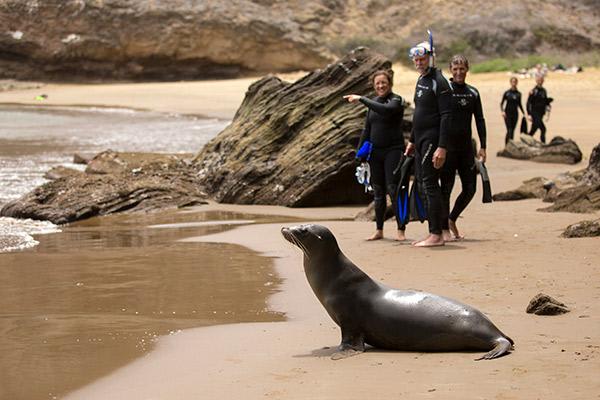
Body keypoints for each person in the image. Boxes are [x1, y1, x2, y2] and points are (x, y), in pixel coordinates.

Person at [344, 69, 407, 241]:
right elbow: (367, 130)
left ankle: (401, 230)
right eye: (377, 83)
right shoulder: (372, 105)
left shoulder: (396, 100)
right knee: (378, 192)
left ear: (390, 83)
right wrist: (360, 153)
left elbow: (386, 111)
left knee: (393, 189)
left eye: (383, 83)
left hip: (393, 151)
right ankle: (379, 230)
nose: (380, 86)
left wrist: (362, 99)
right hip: (376, 153)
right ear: (374, 85)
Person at [404, 37, 452, 247]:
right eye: (416, 60)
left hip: (433, 140)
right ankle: (437, 230)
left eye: (422, 59)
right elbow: (418, 114)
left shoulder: (439, 82)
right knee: (424, 184)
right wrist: (412, 140)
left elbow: (446, 116)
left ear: (431, 59)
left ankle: (436, 234)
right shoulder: (421, 80)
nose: (418, 63)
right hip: (421, 140)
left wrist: (442, 147)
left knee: (429, 184)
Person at [440, 55, 487, 241]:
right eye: (455, 69)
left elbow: (480, 120)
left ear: (467, 69)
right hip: (448, 148)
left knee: (470, 188)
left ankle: (452, 218)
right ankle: (444, 228)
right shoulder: (445, 91)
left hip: (467, 148)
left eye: (462, 69)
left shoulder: (473, 93)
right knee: (446, 189)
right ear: (450, 70)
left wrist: (483, 146)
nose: (459, 72)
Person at [527, 74, 551, 143]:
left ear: (543, 81)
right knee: (543, 129)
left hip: (541, 113)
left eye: (541, 80)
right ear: (536, 81)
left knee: (533, 130)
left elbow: (544, 101)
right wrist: (529, 114)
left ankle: (525, 142)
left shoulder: (544, 90)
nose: (540, 81)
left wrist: (548, 102)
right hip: (534, 113)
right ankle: (544, 144)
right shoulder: (533, 91)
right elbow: (528, 103)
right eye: (539, 80)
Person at [500, 77, 525, 145]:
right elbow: (501, 103)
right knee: (509, 130)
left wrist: (524, 113)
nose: (514, 83)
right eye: (512, 82)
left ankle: (511, 145)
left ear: (517, 83)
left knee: (513, 130)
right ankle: (506, 145)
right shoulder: (507, 93)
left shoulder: (519, 94)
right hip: (507, 114)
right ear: (510, 83)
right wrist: (502, 111)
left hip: (515, 114)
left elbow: (520, 104)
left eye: (515, 82)